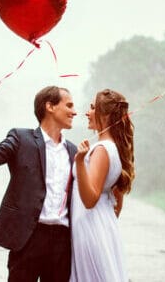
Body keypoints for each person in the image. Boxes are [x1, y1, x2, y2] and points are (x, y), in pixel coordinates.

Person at [0, 86, 78, 282]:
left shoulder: (74, 151)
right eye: (69, 105)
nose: (74, 111)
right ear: (50, 107)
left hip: (62, 244)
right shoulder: (22, 139)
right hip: (28, 239)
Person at [69, 88, 135, 282]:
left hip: (89, 226)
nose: (87, 112)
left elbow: (89, 200)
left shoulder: (101, 150)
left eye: (92, 107)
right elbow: (117, 205)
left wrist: (80, 161)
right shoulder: (115, 148)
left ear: (105, 115)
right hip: (102, 225)